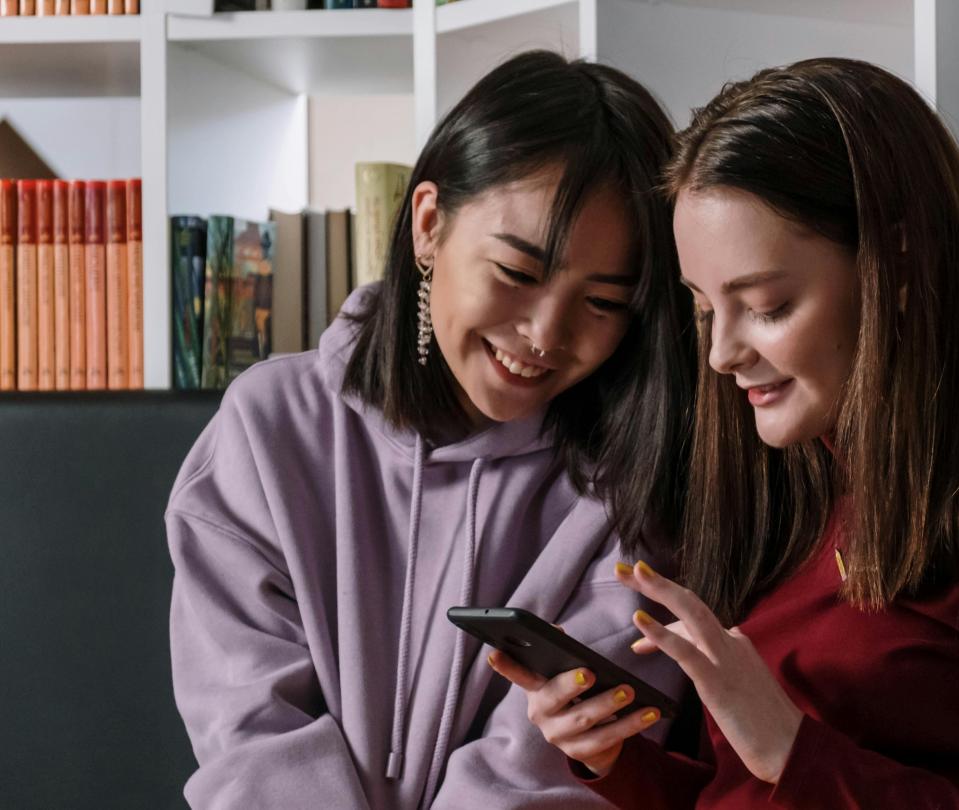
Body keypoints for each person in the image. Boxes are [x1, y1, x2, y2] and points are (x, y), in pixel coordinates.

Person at [492, 57, 959, 808]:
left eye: (769, 306)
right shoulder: (788, 486)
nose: (721, 355)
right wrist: (617, 760)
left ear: (900, 267)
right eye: (703, 309)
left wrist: (791, 749)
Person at [166, 50, 694, 809]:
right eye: (516, 273)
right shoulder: (267, 431)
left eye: (603, 303)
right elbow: (249, 737)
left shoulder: (632, 482)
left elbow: (546, 775)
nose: (546, 333)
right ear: (427, 225)